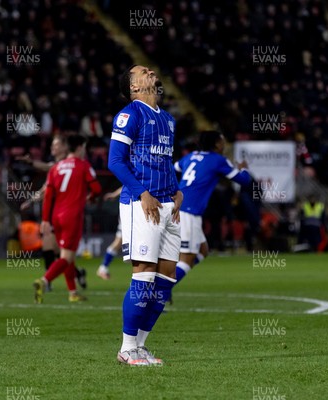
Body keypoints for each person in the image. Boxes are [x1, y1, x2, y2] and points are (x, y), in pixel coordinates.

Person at [108, 65, 182, 366]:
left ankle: (139, 347)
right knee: (144, 275)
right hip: (143, 204)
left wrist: (177, 191)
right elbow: (115, 162)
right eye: (141, 71)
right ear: (134, 87)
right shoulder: (129, 114)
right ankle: (126, 347)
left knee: (165, 282)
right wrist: (142, 193)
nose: (150, 69)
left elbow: (165, 161)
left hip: (167, 204)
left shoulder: (168, 119)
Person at [173, 131, 251, 289]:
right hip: (188, 211)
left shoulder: (191, 156)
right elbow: (244, 181)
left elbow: (173, 168)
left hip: (179, 206)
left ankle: (165, 286)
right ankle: (160, 291)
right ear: (216, 144)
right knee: (186, 259)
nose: (224, 145)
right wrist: (243, 169)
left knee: (203, 250)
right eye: (222, 141)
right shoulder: (218, 160)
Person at [33, 135, 101, 303]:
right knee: (66, 257)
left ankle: (72, 292)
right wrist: (91, 197)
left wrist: (45, 220)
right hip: (72, 216)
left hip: (56, 216)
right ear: (78, 148)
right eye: (83, 147)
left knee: (67, 255)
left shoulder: (55, 168)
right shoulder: (83, 165)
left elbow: (48, 196)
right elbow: (97, 188)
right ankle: (44, 281)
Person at [18, 135, 87, 290]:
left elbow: (47, 168)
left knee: (59, 252)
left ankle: (51, 281)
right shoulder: (59, 166)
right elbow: (45, 187)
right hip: (54, 215)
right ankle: (68, 279)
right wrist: (31, 200)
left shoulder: (66, 164)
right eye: (52, 145)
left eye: (56, 145)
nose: (53, 148)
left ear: (65, 146)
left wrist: (32, 163)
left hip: (63, 213)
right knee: (52, 250)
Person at [97, 186, 123, 280]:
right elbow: (128, 183)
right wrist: (114, 194)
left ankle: (103, 268)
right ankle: (103, 268)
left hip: (136, 213)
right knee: (118, 242)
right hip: (130, 214)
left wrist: (114, 194)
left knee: (119, 243)